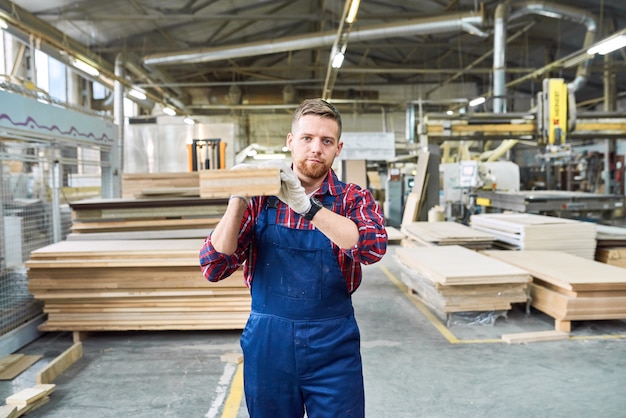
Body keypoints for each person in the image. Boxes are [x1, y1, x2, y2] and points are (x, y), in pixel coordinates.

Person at [199, 98, 388, 418]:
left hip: (333, 349)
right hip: (269, 347)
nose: (316, 148)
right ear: (290, 142)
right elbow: (214, 265)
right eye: (307, 138)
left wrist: (309, 208)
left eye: (326, 141)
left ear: (338, 148)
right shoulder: (261, 200)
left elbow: (371, 247)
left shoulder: (352, 198)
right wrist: (238, 198)